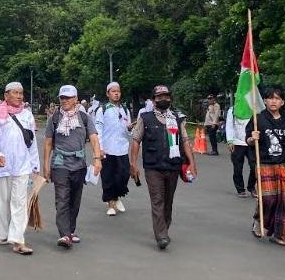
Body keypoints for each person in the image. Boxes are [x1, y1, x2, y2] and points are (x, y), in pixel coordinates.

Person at [129, 85, 197, 250]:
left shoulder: (177, 118)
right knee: (157, 199)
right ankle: (161, 235)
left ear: (170, 99)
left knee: (168, 200)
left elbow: (186, 141)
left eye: (166, 96)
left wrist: (192, 162)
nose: (163, 99)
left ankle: (164, 227)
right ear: (153, 100)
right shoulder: (145, 118)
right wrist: (133, 164)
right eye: (159, 97)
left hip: (173, 166)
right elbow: (136, 141)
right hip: (153, 167)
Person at [44, 85, 102, 249]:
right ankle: (64, 234)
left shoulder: (84, 118)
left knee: (74, 200)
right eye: (62, 97)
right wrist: (46, 165)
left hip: (79, 164)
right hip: (60, 163)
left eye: (68, 98)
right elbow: (48, 143)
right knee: (62, 198)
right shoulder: (54, 118)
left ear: (76, 99)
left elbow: (94, 139)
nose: (64, 100)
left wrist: (97, 159)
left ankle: (70, 230)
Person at [0, 82, 40, 255]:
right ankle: (4, 234)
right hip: (3, 165)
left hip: (23, 165)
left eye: (21, 93)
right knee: (2, 201)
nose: (19, 96)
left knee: (19, 202)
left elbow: (31, 141)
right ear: (6, 95)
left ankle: (18, 240)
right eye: (15, 93)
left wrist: (35, 164)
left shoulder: (27, 115)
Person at [247, 86, 285, 245]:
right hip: (265, 163)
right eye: (270, 98)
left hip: (282, 164)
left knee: (283, 201)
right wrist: (253, 138)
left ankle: (280, 233)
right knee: (269, 199)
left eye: (277, 98)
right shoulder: (258, 118)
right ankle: (260, 221)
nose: (274, 101)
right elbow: (248, 141)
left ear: (282, 102)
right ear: (265, 101)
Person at [94, 81, 132, 216]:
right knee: (108, 177)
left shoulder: (125, 110)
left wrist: (129, 129)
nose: (116, 93)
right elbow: (98, 129)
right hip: (108, 149)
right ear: (108, 94)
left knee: (123, 175)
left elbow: (129, 132)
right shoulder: (102, 109)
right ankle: (110, 203)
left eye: (118, 91)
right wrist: (100, 148)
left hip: (122, 149)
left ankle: (117, 197)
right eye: (113, 91)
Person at [225, 104, 257, 197]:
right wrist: (230, 141)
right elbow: (229, 125)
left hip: (251, 143)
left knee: (254, 166)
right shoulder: (233, 109)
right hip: (237, 143)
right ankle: (240, 189)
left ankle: (251, 187)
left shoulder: (254, 108)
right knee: (238, 168)